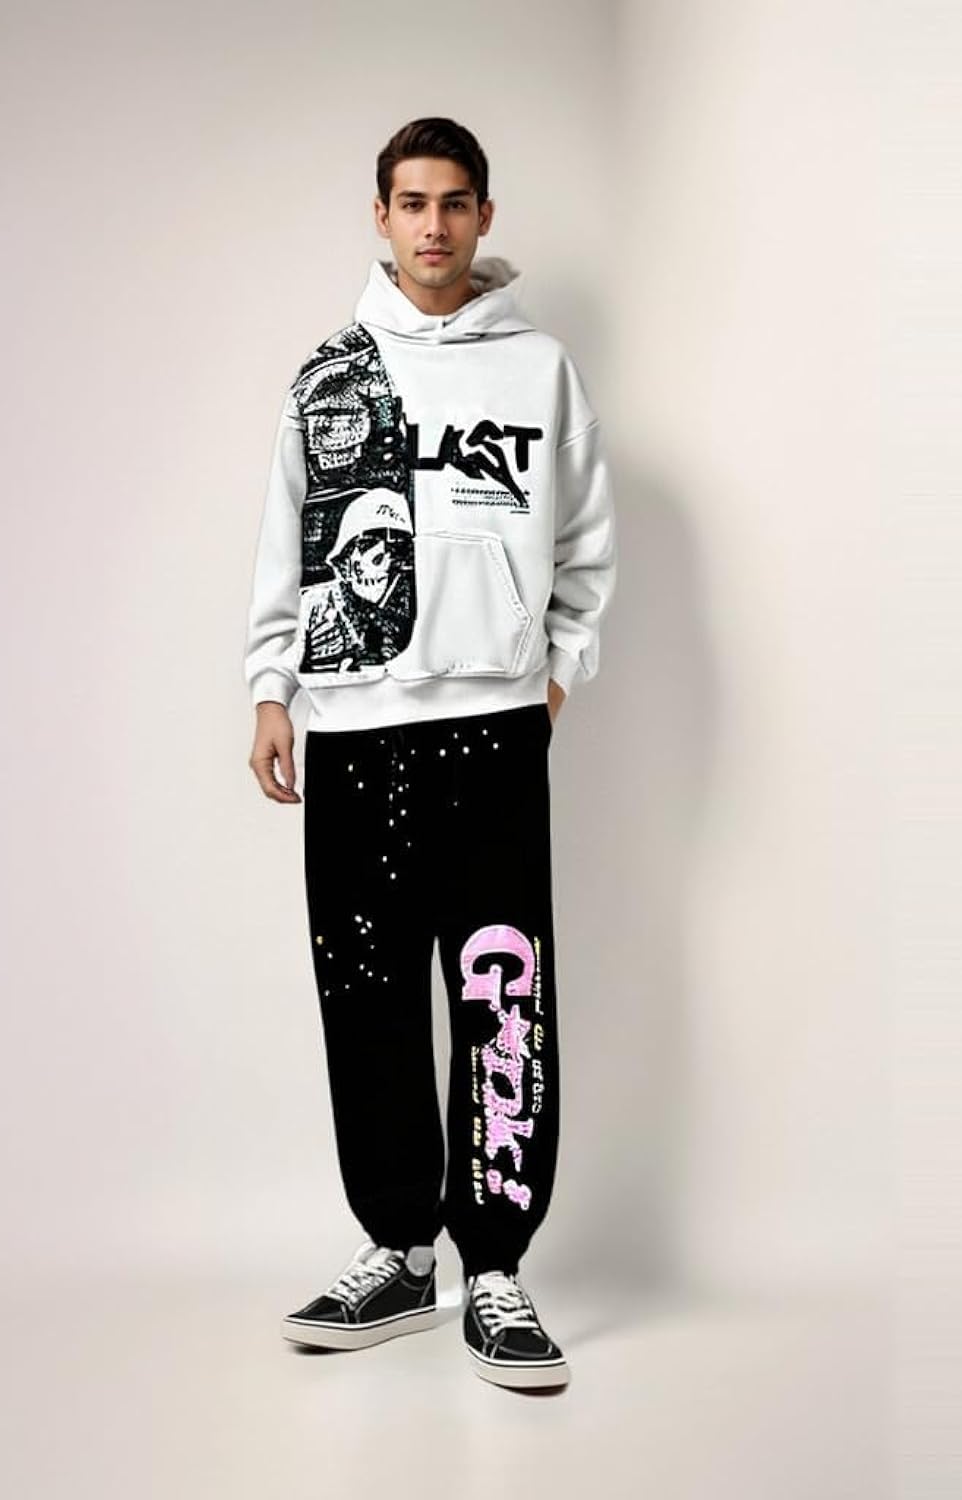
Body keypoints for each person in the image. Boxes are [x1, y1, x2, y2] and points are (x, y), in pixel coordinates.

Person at [243, 117, 617, 1391]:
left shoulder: (540, 371)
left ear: (484, 216)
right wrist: (270, 688)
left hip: (493, 731)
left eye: (455, 202)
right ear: (382, 216)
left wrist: (553, 677)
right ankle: (400, 1252)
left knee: (502, 991)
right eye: (413, 203)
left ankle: (496, 1269)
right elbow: (285, 537)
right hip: (352, 729)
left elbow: (587, 545)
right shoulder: (331, 376)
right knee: (368, 996)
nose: (435, 226)